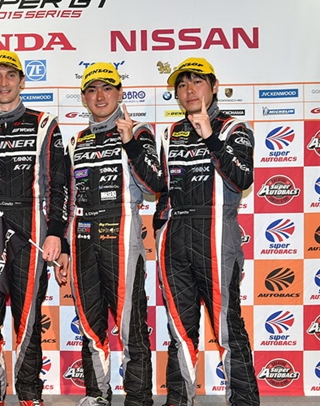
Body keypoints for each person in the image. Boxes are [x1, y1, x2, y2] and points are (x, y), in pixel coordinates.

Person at [0, 50, 71, 406]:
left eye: (10, 75)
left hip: (30, 226)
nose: (3, 83)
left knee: (28, 315)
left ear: (22, 81)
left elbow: (59, 183)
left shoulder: (44, 122)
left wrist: (57, 232)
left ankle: (29, 393)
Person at [153, 57, 260, 406]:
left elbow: (242, 178)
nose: (189, 90)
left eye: (197, 82)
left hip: (216, 234)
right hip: (175, 237)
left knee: (228, 328)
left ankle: (243, 402)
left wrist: (211, 138)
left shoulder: (234, 128)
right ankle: (178, 400)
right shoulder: (171, 132)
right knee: (179, 330)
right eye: (182, 84)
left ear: (214, 86)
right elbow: (164, 189)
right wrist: (161, 224)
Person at [64, 63, 161, 406]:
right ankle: (96, 395)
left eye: (107, 88)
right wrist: (63, 246)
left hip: (122, 237)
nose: (100, 96)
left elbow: (154, 185)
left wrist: (129, 142)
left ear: (120, 93)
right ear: (84, 97)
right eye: (92, 90)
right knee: (90, 325)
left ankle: (138, 399)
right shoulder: (76, 140)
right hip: (82, 238)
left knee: (131, 325)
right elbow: (67, 198)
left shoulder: (139, 131)